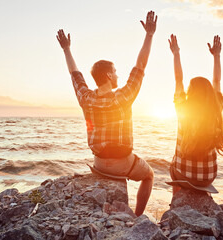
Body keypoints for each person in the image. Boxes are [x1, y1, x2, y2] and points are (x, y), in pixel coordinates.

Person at [56, 11, 157, 216]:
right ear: (110, 75)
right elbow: (141, 66)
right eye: (116, 71)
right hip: (122, 164)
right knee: (149, 175)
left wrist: (66, 49)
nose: (118, 74)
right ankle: (137, 216)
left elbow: (75, 75)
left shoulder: (86, 98)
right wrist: (149, 35)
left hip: (99, 163)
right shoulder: (123, 96)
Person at [168, 34, 223, 195]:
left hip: (183, 175)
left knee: (173, 165)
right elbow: (217, 81)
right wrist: (217, 56)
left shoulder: (183, 108)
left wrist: (176, 54)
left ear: (191, 92)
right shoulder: (216, 108)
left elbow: (178, 79)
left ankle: (176, 202)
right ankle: (204, 195)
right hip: (208, 178)